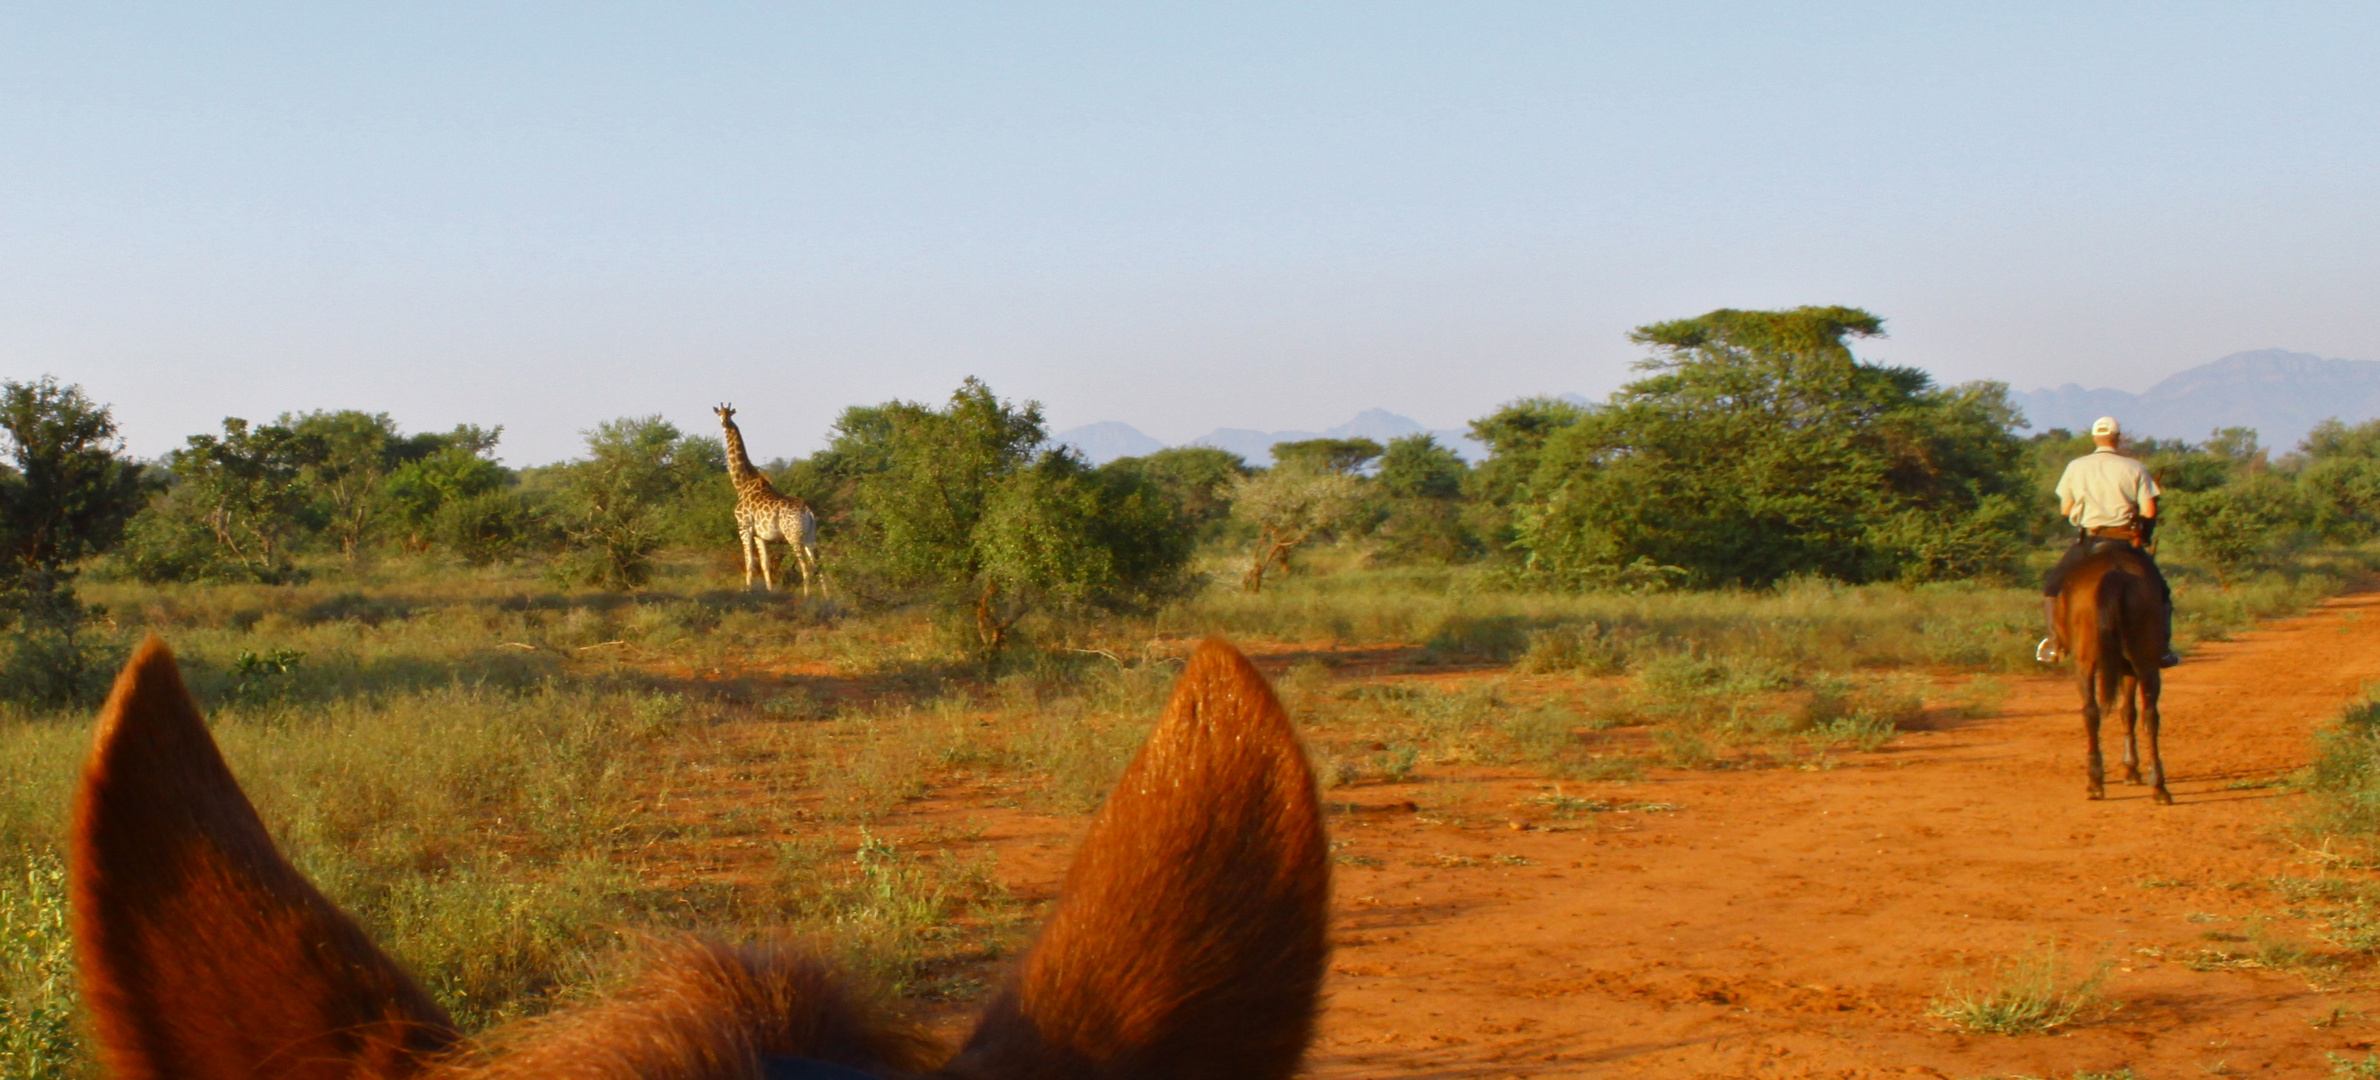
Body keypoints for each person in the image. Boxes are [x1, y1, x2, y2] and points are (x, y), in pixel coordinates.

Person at [2040, 416, 2178, 667]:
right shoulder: (2135, 467)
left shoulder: (2076, 466)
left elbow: (2065, 508)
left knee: (2052, 588)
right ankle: (2162, 648)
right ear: (2118, 438)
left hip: (2089, 541)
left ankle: (2052, 643)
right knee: (2163, 593)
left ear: (2094, 438)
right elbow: (2149, 512)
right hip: (2124, 542)